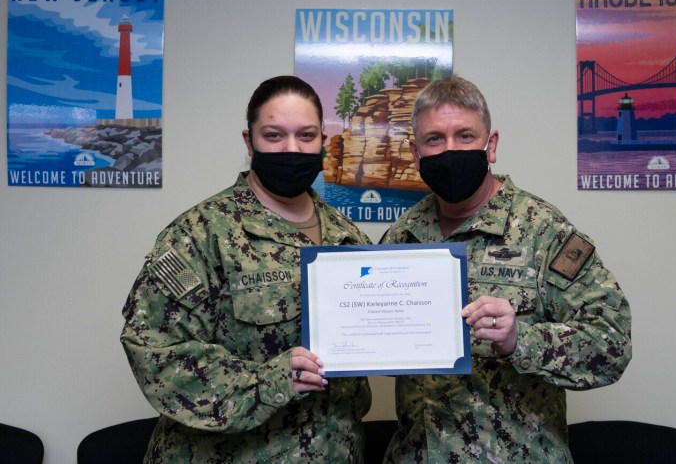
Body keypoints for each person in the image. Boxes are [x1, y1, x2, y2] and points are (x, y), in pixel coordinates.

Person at [380, 76, 632, 463]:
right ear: (415, 153)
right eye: (435, 139)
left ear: (490, 144)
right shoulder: (402, 236)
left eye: (465, 136)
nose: (450, 150)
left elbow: (611, 344)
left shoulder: (543, 231)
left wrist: (520, 340)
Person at [121, 75, 372, 463]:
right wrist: (271, 380)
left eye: (306, 135)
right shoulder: (200, 233)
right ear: (248, 140)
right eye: (274, 135)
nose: (292, 148)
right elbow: (155, 352)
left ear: (323, 140)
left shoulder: (348, 237)